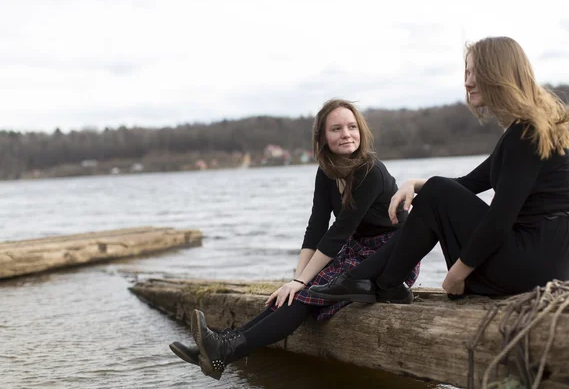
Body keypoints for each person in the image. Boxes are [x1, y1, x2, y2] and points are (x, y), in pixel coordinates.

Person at [309, 36, 569, 303]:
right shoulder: (525, 131)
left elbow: (499, 219)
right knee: (436, 192)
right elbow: (467, 184)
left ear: (498, 73)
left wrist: (458, 272)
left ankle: (370, 280)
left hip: (536, 268)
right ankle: (377, 281)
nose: (467, 82)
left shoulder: (527, 134)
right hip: (540, 264)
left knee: (437, 191)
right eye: (466, 72)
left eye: (475, 72)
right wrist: (413, 184)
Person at [168, 98, 420, 379]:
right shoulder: (327, 172)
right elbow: (316, 227)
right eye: (336, 129)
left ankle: (224, 349)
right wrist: (297, 278)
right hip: (356, 250)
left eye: (351, 127)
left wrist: (300, 282)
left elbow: (340, 232)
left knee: (306, 295)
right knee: (299, 292)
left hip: (391, 256)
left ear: (361, 131)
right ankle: (223, 345)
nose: (346, 134)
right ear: (323, 137)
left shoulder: (370, 171)